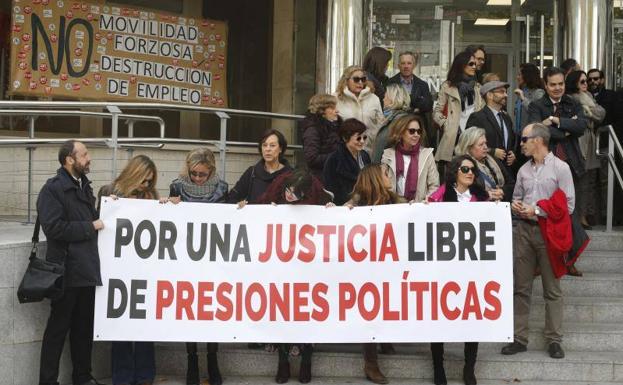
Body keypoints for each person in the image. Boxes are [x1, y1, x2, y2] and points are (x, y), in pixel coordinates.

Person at [501, 123, 575, 360]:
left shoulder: (561, 169)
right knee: (521, 288)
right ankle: (519, 338)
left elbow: (569, 205)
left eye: (524, 139)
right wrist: (517, 206)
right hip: (524, 230)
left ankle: (554, 339)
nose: (521, 143)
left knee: (552, 289)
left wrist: (537, 211)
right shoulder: (523, 170)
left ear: (539, 140)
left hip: (549, 232)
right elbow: (517, 198)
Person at [37, 140, 105, 385]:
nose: (89, 158)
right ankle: (47, 381)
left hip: (86, 270)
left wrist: (111, 205)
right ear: (69, 159)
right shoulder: (52, 189)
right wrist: (89, 227)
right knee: (57, 330)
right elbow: (54, 228)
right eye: (84, 154)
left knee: (83, 330)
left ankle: (82, 377)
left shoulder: (83, 185)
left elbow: (96, 221)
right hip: (65, 271)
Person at [256, 168, 331, 384]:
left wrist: (330, 209)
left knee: (306, 306)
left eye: (295, 194)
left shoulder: (316, 188)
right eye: (288, 191)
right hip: (282, 259)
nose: (289, 196)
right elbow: (259, 204)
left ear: (305, 194)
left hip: (308, 260)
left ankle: (307, 356)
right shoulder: (279, 184)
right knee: (283, 306)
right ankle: (283, 359)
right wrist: (264, 209)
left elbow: (330, 205)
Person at [166, 148, 227, 385]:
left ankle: (212, 360)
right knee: (190, 310)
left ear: (211, 170)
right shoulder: (177, 186)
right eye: (194, 174)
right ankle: (192, 360)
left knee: (212, 310)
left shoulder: (222, 188)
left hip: (214, 256)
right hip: (186, 256)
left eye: (203, 174)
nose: (198, 178)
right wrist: (168, 204)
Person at [427, 154, 489, 385]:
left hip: (472, 270)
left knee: (471, 319)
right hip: (444, 268)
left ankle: (469, 368)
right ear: (455, 172)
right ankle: (438, 368)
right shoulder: (442, 194)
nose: (470, 172)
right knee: (439, 319)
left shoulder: (481, 198)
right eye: (465, 169)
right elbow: (427, 213)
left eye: (473, 169)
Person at [98, 155, 159, 385]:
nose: (146, 186)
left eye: (150, 182)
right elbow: (100, 222)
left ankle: (145, 375)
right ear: (134, 174)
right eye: (144, 180)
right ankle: (122, 377)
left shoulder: (151, 195)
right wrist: (111, 206)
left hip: (143, 268)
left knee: (143, 325)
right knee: (120, 326)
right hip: (118, 269)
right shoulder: (109, 191)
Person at [343, 163, 406, 384]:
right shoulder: (357, 202)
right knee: (369, 311)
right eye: (386, 174)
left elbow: (411, 213)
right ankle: (371, 363)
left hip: (387, 268)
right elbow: (339, 223)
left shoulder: (394, 200)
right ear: (375, 178)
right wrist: (340, 211)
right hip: (364, 271)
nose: (390, 177)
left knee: (387, 303)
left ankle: (385, 339)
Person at [527, 66, 587, 180]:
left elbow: (582, 126)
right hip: (544, 163)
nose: (557, 88)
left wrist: (558, 121)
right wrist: (566, 131)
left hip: (572, 162)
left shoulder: (573, 103)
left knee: (570, 197)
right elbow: (536, 131)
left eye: (561, 84)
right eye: (553, 84)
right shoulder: (536, 106)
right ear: (545, 85)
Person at [566, 70, 606, 230]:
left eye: (586, 82)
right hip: (578, 139)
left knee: (587, 180)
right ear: (575, 82)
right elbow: (590, 114)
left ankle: (582, 215)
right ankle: (577, 216)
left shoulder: (587, 96)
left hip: (589, 139)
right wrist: (589, 111)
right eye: (583, 81)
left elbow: (601, 113)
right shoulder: (571, 98)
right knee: (578, 179)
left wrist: (589, 110)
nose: (586, 84)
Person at [433, 51, 483, 172]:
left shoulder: (477, 87)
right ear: (461, 65)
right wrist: (446, 124)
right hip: (454, 135)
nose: (474, 67)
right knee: (452, 175)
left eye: (475, 64)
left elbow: (481, 111)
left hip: (472, 137)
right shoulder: (448, 86)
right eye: (471, 64)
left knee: (471, 174)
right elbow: (436, 112)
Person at [381, 114, 439, 201]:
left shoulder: (427, 154)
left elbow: (434, 185)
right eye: (412, 131)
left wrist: (424, 202)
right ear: (401, 132)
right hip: (394, 206)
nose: (416, 135)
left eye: (419, 131)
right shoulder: (388, 154)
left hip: (419, 208)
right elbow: (382, 183)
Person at [228, 129, 292, 204]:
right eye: (264, 145)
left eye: (272, 145)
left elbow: (297, 204)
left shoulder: (290, 174)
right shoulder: (252, 172)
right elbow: (232, 198)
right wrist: (239, 204)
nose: (267, 149)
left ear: (280, 148)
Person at [466, 80, 516, 174]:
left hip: (507, 171)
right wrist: (492, 151)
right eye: (501, 92)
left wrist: (513, 153)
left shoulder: (506, 118)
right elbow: (468, 144)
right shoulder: (477, 117)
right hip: (486, 169)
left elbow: (511, 141)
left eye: (505, 92)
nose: (506, 95)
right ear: (489, 95)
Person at [335, 65, 384, 154]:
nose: (360, 82)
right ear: (346, 80)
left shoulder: (374, 99)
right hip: (344, 152)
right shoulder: (336, 99)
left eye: (363, 79)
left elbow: (380, 124)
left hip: (368, 151)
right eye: (356, 79)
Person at [455, 127, 512, 201]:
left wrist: (502, 191)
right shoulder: (462, 166)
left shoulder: (493, 159)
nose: (485, 147)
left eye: (485, 143)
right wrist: (487, 195)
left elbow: (511, 183)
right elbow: (463, 193)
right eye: (481, 144)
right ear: (469, 148)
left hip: (500, 205)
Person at [323, 118, 372, 205]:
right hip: (343, 206)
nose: (362, 141)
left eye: (364, 137)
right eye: (358, 138)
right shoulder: (334, 159)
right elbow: (330, 188)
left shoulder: (365, 156)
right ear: (345, 138)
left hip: (364, 204)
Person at [299, 94, 342, 181]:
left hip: (332, 175)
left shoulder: (335, 126)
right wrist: (337, 157)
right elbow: (312, 159)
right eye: (332, 108)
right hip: (320, 179)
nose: (337, 111)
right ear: (321, 111)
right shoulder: (312, 130)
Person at [372, 83, 410, 163]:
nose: (383, 99)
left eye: (385, 97)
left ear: (393, 99)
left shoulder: (399, 122)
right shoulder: (392, 119)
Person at [386, 51, 433, 115]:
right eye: (403, 63)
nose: (406, 66)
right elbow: (387, 106)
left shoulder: (423, 85)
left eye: (409, 63)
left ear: (414, 65)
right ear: (398, 66)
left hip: (416, 122)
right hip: (396, 123)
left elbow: (428, 105)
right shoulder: (389, 83)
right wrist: (416, 105)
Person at [514, 63, 545, 135]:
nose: (517, 77)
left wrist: (523, 99)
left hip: (531, 136)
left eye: (519, 74)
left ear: (527, 76)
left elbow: (537, 112)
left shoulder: (539, 93)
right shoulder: (523, 91)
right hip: (518, 135)